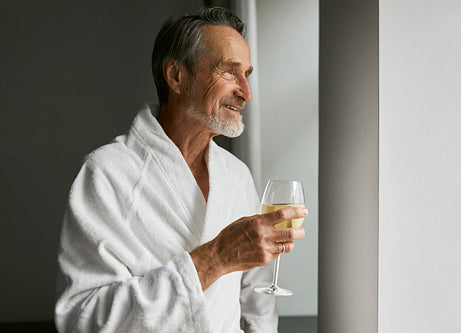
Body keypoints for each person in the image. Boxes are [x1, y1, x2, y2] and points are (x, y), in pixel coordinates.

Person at [54, 7, 307, 333]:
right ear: (176, 76)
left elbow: (255, 291)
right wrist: (215, 257)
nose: (246, 92)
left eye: (247, 74)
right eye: (230, 72)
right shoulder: (106, 173)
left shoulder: (236, 174)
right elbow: (82, 319)